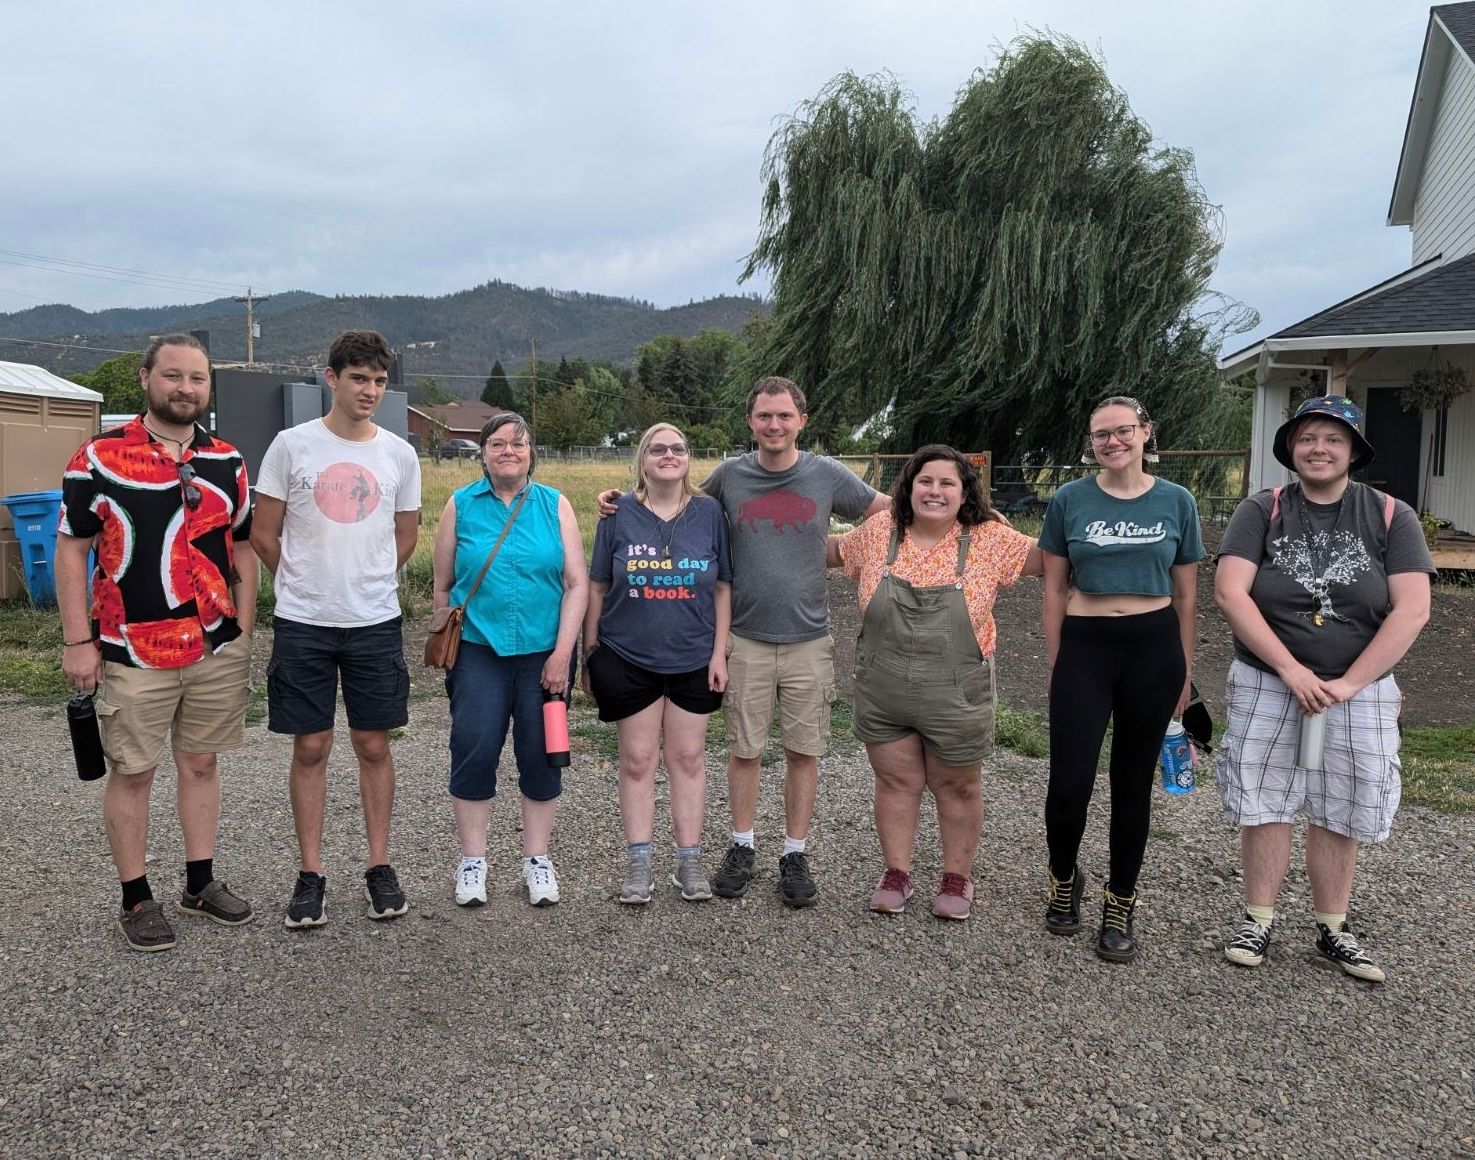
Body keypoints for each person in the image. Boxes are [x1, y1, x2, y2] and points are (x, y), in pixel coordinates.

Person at [599, 377, 886, 907]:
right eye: (763, 417)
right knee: (744, 749)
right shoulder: (730, 476)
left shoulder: (827, 475)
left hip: (809, 638)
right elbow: (676, 496)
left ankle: (794, 852)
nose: (773, 425)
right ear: (750, 422)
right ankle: (742, 844)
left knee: (804, 750)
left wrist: (847, 549)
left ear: (802, 419)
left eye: (783, 416)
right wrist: (619, 500)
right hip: (745, 638)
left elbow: (891, 512)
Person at [1214, 395, 1432, 983]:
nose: (1319, 449)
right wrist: (1290, 669)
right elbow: (1232, 592)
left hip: (1360, 688)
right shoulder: (1261, 510)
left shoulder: (1391, 515)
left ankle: (1332, 928)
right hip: (1268, 678)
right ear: (1291, 448)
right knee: (1265, 796)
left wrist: (1352, 683)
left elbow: (1412, 609)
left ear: (1354, 451)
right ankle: (1258, 919)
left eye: (1333, 440)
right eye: (1308, 438)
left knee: (1346, 801)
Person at [56, 334, 258, 952]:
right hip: (129, 644)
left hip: (213, 645)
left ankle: (200, 883)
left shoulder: (228, 460)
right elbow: (72, 547)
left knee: (201, 763)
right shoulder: (97, 457)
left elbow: (243, 547)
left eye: (198, 379)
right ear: (145, 379)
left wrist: (243, 628)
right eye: (173, 376)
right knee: (134, 770)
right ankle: (136, 896)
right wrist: (76, 641)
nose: (186, 389)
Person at [250, 329, 421, 928]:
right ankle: (311, 872)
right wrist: (302, 582)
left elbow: (406, 536)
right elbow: (262, 533)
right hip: (304, 623)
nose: (370, 390)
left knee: (373, 745)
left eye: (379, 380)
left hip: (374, 622)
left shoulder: (399, 455)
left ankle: (379, 865)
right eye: (359, 378)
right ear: (331, 378)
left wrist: (367, 580)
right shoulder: (291, 447)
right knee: (312, 746)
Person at [829, 446, 1041, 919]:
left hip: (957, 690)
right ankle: (897, 872)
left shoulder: (989, 539)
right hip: (883, 687)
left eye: (948, 483)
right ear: (909, 487)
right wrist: (763, 529)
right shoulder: (880, 532)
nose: (935, 491)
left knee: (958, 786)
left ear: (965, 492)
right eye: (926, 481)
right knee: (895, 780)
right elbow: (830, 550)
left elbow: (1053, 559)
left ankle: (956, 878)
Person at [1039, 396, 1204, 962]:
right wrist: (1059, 660)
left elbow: (1186, 595)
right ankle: (1065, 879)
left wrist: (1184, 669)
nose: (1112, 442)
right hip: (1085, 647)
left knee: (1131, 786)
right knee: (1068, 785)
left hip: (1153, 647)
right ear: (1091, 441)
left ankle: (1120, 901)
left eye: (1123, 431)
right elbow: (1054, 589)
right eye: (1101, 435)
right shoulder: (1070, 500)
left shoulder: (1176, 501)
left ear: (1145, 433)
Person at [431, 412, 588, 907]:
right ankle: (473, 861)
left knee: (543, 754)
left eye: (518, 445)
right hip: (478, 651)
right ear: (482, 452)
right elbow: (441, 586)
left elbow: (576, 584)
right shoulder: (459, 506)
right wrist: (448, 642)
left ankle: (537, 859)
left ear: (531, 453)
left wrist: (564, 653)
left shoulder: (554, 505)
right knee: (473, 747)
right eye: (497, 444)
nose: (508, 452)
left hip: (545, 655)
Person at [583, 423, 731, 904]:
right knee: (637, 760)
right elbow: (598, 585)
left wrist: (718, 653)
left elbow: (724, 587)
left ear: (689, 458)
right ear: (642, 460)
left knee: (688, 759)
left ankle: (688, 862)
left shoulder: (710, 514)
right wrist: (591, 652)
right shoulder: (617, 513)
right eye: (658, 449)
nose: (669, 455)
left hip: (693, 656)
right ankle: (639, 862)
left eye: (679, 448)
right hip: (629, 654)